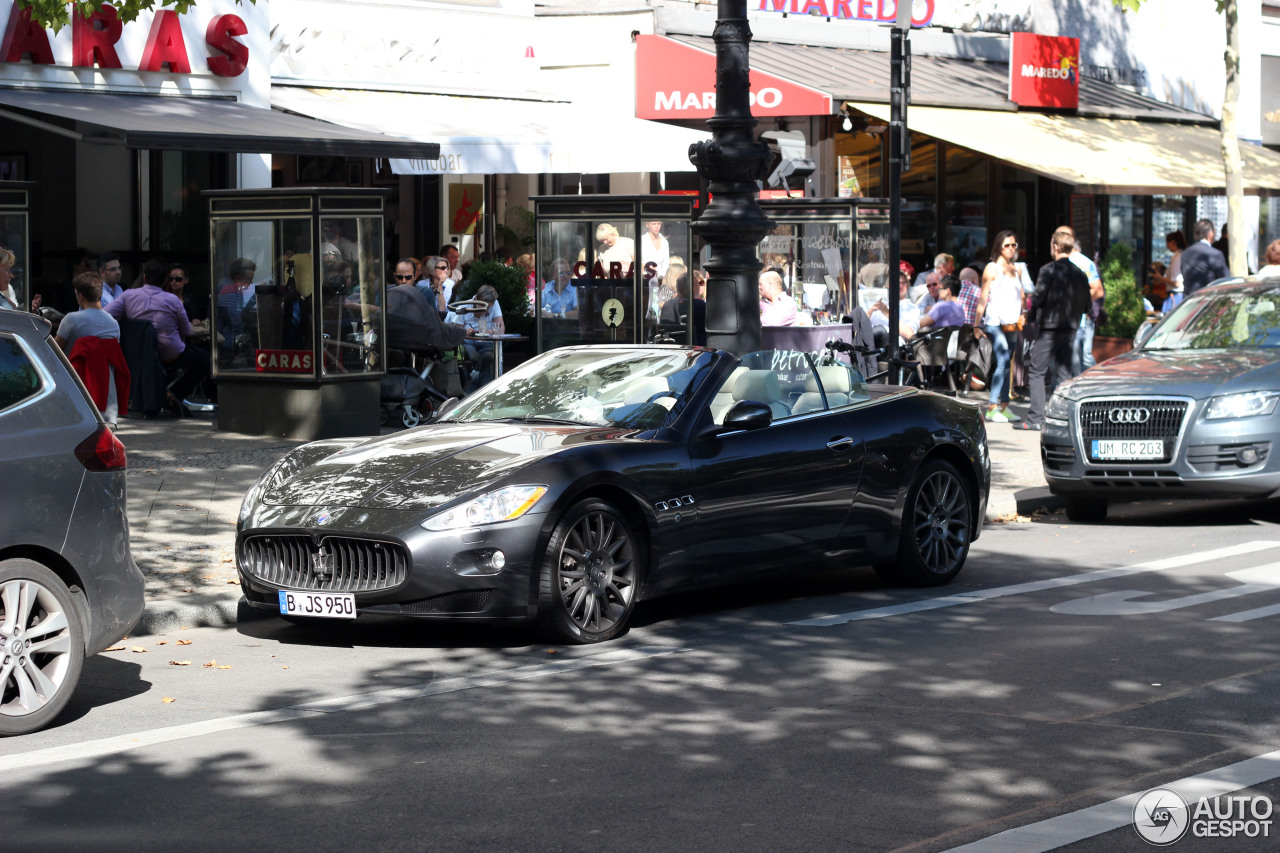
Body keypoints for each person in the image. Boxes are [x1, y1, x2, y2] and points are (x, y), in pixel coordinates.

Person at [107, 259, 213, 413]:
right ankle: (174, 393)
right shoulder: (173, 300)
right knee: (206, 361)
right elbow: (185, 330)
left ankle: (167, 395)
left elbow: (105, 315)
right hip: (169, 353)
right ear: (165, 281)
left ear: (144, 278)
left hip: (138, 354)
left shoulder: (127, 296)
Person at [1022, 231, 1091, 431]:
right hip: (1070, 327)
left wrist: (1030, 315)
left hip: (1049, 328)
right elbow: (1087, 305)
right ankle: (1063, 419)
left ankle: (1036, 418)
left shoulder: (1048, 270)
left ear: (1056, 247)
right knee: (1064, 373)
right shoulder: (1080, 273)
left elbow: (1037, 298)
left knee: (1036, 371)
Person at [974, 230, 1026, 423]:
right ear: (999, 247)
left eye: (1014, 245)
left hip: (1012, 322)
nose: (1011, 249)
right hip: (995, 321)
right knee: (1003, 360)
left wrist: (1023, 313)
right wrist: (976, 324)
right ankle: (992, 406)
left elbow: (1021, 295)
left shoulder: (1016, 268)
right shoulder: (991, 268)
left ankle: (1004, 406)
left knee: (1007, 363)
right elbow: (983, 296)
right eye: (1007, 245)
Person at [461, 284, 504, 392]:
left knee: (489, 357)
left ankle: (484, 392)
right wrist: (467, 333)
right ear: (476, 299)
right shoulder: (464, 307)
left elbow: (500, 329)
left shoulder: (495, 304)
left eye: (488, 307)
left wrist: (487, 332)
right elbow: (457, 331)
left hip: (485, 342)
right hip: (468, 342)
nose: (485, 310)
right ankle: (470, 391)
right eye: (482, 306)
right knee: (472, 356)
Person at [868, 261, 921, 345]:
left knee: (881, 331)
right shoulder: (881, 305)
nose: (900, 286)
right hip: (871, 345)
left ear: (907, 286)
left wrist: (887, 313)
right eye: (896, 283)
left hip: (893, 349)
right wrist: (869, 312)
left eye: (903, 283)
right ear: (889, 286)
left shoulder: (912, 309)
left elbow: (909, 334)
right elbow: (865, 327)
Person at [1182, 218, 1232, 296]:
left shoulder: (1185, 253)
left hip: (1189, 301)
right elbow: (1226, 279)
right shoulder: (1215, 254)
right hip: (1207, 300)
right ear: (1210, 234)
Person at [659, 273, 707, 346]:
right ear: (688, 287)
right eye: (697, 284)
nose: (699, 286)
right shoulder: (699, 306)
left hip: (671, 346)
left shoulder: (667, 305)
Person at [1151, 230, 1187, 297]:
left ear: (1173, 242)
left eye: (1168, 244)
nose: (1167, 247)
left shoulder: (1177, 257)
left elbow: (1177, 283)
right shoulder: (1182, 255)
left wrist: (1160, 277)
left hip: (1175, 295)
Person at [641, 221, 670, 286]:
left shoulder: (665, 242)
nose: (656, 226)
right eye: (653, 224)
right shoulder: (642, 240)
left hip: (662, 279)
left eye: (659, 224)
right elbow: (637, 260)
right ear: (647, 224)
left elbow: (666, 262)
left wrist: (661, 275)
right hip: (644, 278)